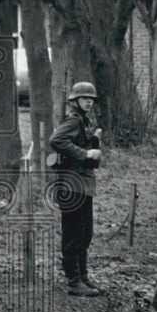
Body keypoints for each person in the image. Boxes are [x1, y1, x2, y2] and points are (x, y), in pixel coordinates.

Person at [49, 82, 104, 297]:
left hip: (83, 184)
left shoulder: (84, 122)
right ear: (75, 101)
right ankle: (73, 281)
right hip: (71, 185)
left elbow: (84, 151)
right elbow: (56, 140)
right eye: (84, 98)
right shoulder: (73, 120)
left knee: (85, 233)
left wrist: (93, 142)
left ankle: (83, 277)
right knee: (73, 234)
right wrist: (85, 153)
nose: (89, 101)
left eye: (91, 99)